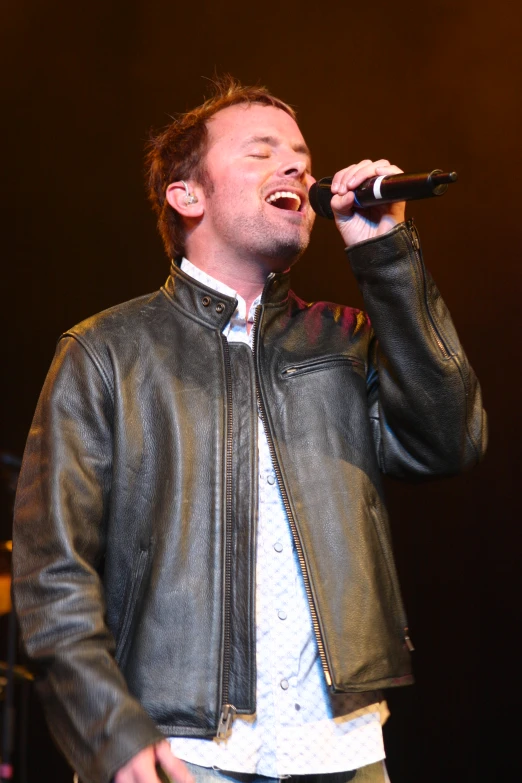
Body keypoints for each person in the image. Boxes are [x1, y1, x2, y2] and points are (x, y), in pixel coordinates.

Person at [12, 77, 487, 783]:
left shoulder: (342, 340)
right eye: (262, 152)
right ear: (187, 194)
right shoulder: (106, 352)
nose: (297, 167)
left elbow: (450, 438)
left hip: (341, 751)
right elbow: (52, 573)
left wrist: (384, 256)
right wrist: (107, 728)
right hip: (181, 751)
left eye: (301, 154)